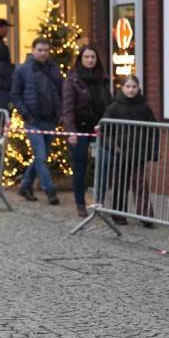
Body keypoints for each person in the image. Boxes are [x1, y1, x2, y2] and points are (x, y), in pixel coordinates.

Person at [10, 37, 63, 204]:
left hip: (50, 120)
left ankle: (26, 185)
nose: (43, 53)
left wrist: (60, 114)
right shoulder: (23, 70)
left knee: (42, 157)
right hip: (33, 120)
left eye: (46, 50)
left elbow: (61, 92)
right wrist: (26, 114)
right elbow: (16, 94)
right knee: (40, 156)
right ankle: (50, 190)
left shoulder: (54, 68)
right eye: (40, 50)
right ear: (33, 50)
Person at [62, 46, 112, 217]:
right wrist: (71, 132)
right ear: (80, 59)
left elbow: (109, 103)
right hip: (80, 130)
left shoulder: (103, 79)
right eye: (86, 57)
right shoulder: (73, 80)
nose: (90, 60)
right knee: (79, 168)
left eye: (93, 56)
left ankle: (98, 201)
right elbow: (68, 108)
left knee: (104, 165)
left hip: (100, 129)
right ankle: (80, 203)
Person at [102, 75, 157, 227]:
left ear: (138, 88)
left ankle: (146, 215)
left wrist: (152, 151)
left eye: (134, 87)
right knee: (120, 185)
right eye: (128, 87)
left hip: (138, 153)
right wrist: (112, 146)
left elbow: (153, 130)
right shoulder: (113, 108)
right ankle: (119, 216)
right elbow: (104, 131)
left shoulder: (144, 107)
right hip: (119, 154)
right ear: (122, 88)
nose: (131, 90)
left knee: (140, 183)